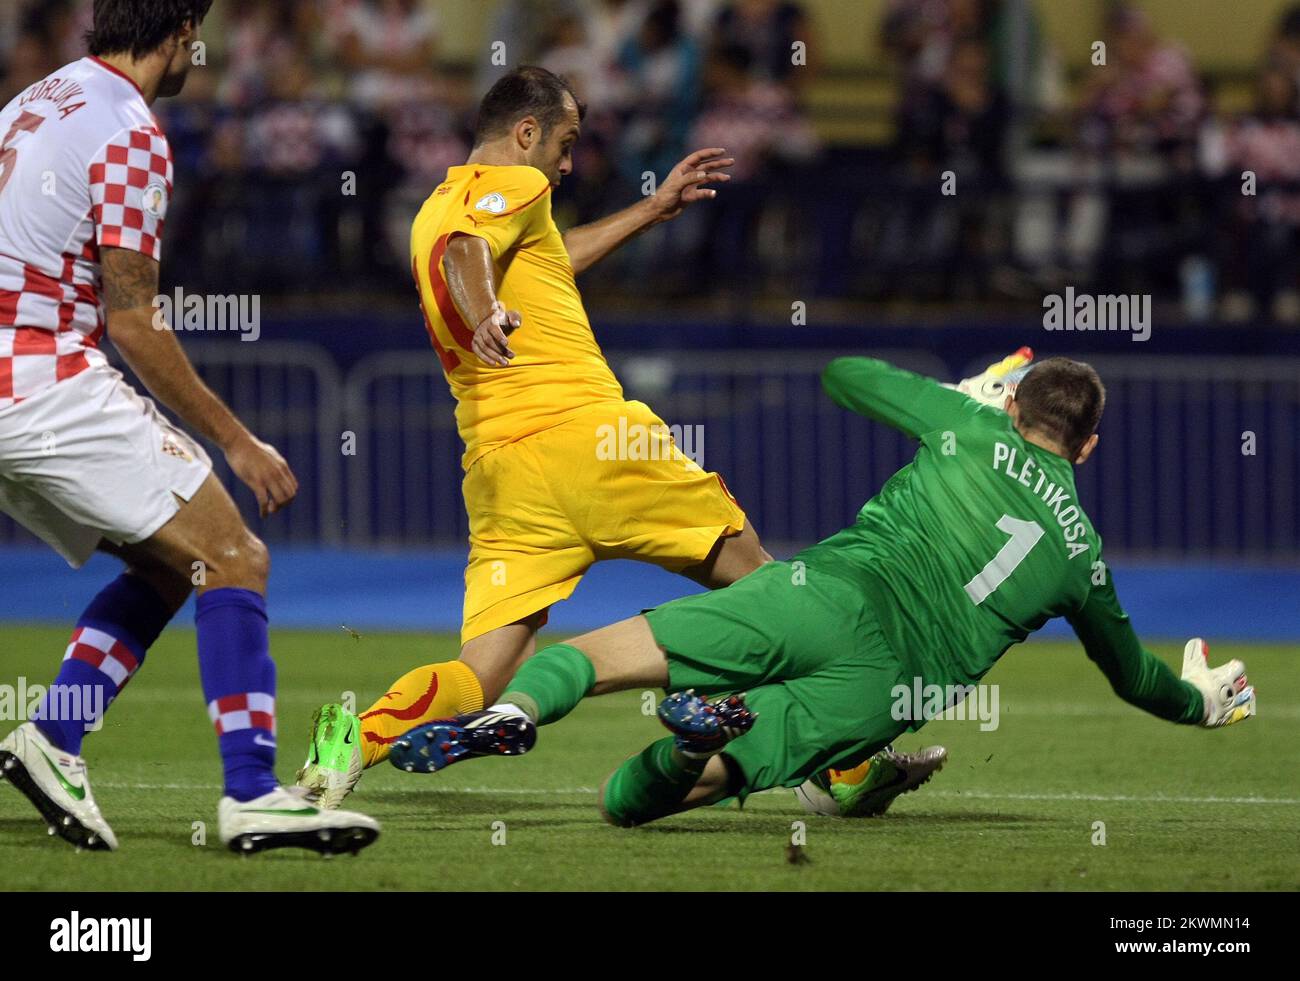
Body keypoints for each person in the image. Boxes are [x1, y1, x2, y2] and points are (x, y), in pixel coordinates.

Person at [389, 356, 1256, 828]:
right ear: (1089, 447)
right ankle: (694, 749)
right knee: (629, 804)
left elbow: (845, 375)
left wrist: (960, 396)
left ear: (1013, 400)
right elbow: (1135, 680)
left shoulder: (966, 421)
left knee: (593, 654)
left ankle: (518, 714)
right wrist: (1201, 702)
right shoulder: (1084, 557)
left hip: (819, 592)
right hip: (882, 690)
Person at [296, 66, 771, 806]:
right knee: (775, 593)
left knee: (477, 674)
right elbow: (470, 253)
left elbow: (535, 257)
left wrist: (651, 208)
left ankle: (354, 738)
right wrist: (486, 311)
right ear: (526, 133)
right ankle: (840, 766)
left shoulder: (432, 209)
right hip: (594, 439)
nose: (569, 161)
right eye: (566, 142)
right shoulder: (512, 189)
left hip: (501, 470)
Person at [0, 0, 379, 855]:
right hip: (43, 381)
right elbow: (133, 321)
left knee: (176, 560)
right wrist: (237, 439)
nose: (197, 57)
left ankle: (54, 735)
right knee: (236, 556)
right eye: (194, 40)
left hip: (9, 385)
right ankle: (252, 793)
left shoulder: (35, 100)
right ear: (176, 37)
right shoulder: (129, 128)